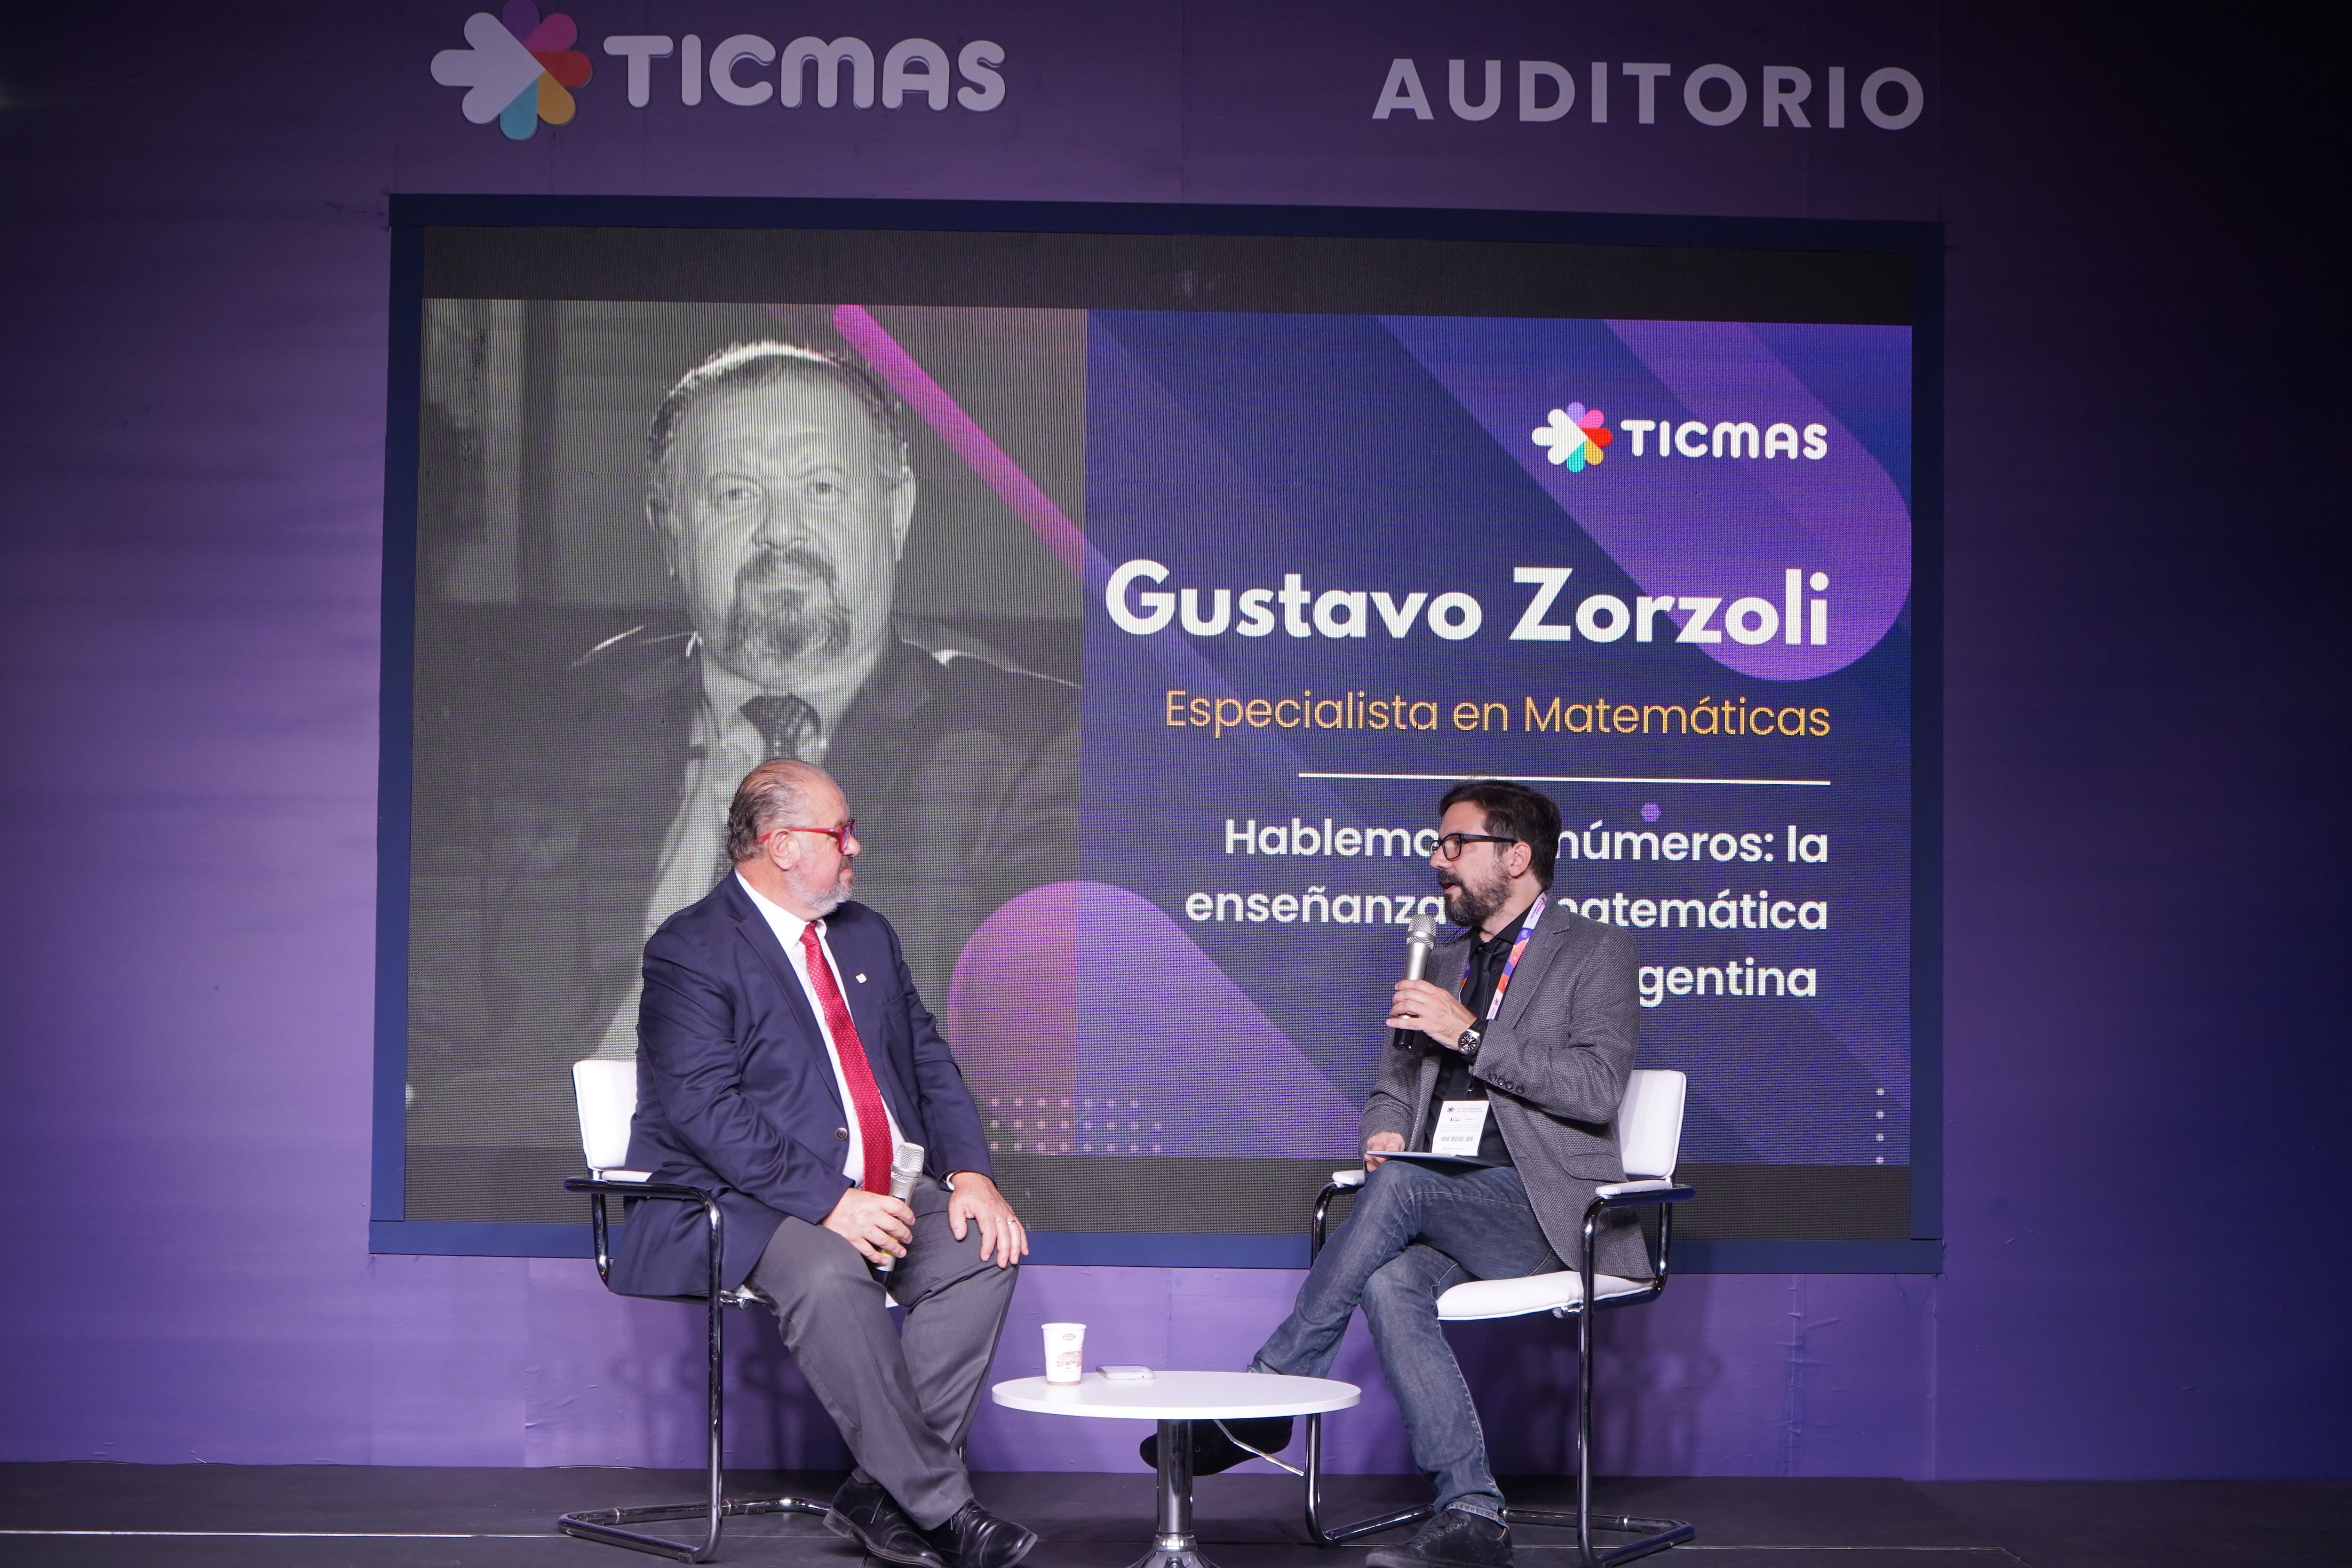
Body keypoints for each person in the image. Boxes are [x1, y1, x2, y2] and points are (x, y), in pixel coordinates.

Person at [1148, 780, 1648, 1568]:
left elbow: (1594, 1088)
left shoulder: (1594, 950)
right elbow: (1394, 1081)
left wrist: (1472, 1035)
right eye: (1438, 843)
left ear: (1516, 856)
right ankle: (1474, 1513)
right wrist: (1383, 1126)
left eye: (1456, 844)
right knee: (1388, 1279)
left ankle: (1270, 1390)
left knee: (1405, 1186)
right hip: (1440, 1197)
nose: (1436, 858)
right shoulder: (1439, 960)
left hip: (1544, 1205)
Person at [608, 758, 1038, 1568]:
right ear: (779, 846)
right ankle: (943, 1506)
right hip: (735, 1200)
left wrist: (971, 1172)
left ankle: (880, 1491)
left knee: (983, 1245)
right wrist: (831, 1200)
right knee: (830, 1267)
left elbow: (928, 1060)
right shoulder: (691, 948)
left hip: (879, 1189)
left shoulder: (866, 933)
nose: (856, 846)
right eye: (839, 833)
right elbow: (705, 1110)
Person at [591, 340, 1079, 1052]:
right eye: (735, 493)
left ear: (897, 510)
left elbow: (1037, 1050)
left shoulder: (1025, 751)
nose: (781, 532)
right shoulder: (568, 725)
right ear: (671, 529)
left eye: (821, 488)